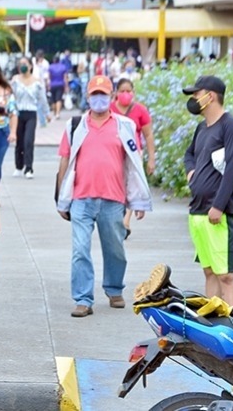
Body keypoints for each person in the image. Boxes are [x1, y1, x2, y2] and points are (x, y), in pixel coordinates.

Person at [55, 75, 152, 318]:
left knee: (115, 249)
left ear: (112, 97)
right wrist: (60, 198)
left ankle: (114, 288)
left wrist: (138, 200)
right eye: (94, 94)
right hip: (81, 199)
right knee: (80, 250)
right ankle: (83, 298)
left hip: (113, 200)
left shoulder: (125, 126)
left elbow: (134, 165)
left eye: (104, 94)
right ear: (87, 97)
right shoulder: (75, 125)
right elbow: (65, 161)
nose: (99, 98)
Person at [182, 75, 233, 307]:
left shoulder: (231, 127)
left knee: (226, 275)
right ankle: (213, 324)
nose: (193, 100)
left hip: (220, 213)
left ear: (210, 97)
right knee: (209, 272)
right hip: (198, 212)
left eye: (196, 95)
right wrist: (192, 172)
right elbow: (189, 154)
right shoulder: (202, 128)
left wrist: (218, 205)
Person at [109, 78, 156, 238]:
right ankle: (118, 218)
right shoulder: (109, 109)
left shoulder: (140, 110)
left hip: (134, 154)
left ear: (133, 93)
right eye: (122, 91)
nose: (125, 94)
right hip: (113, 154)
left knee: (132, 185)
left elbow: (148, 135)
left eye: (128, 91)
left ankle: (125, 221)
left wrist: (151, 158)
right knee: (117, 185)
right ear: (115, 93)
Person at [11, 57, 50, 179]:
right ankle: (18, 166)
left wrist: (46, 113)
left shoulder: (37, 82)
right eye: (20, 64)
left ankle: (28, 167)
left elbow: (42, 99)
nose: (23, 66)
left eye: (25, 64)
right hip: (18, 113)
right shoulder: (15, 80)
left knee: (28, 141)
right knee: (19, 141)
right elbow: (10, 96)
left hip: (31, 113)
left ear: (31, 66)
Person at [48, 54, 69, 122]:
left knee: (53, 100)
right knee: (59, 99)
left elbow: (49, 77)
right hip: (60, 84)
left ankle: (54, 112)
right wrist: (66, 86)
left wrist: (48, 85)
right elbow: (65, 77)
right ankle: (58, 113)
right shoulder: (63, 67)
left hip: (53, 84)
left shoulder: (50, 67)